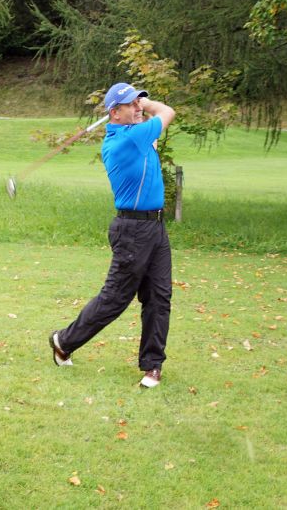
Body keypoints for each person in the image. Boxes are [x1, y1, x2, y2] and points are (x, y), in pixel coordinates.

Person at [49, 82, 176, 388]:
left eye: (138, 102)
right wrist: (147, 104)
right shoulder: (128, 139)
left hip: (156, 227)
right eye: (131, 104)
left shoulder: (136, 135)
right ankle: (64, 341)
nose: (138, 107)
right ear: (114, 113)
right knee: (115, 299)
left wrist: (138, 106)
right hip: (132, 230)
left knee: (159, 296)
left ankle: (153, 365)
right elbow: (167, 112)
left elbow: (152, 130)